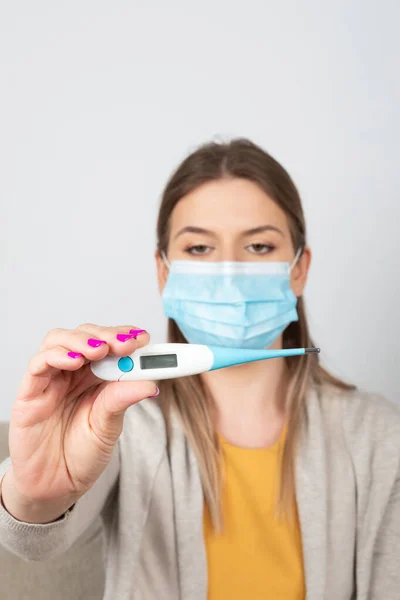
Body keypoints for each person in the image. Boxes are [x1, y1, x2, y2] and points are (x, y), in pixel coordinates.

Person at [0, 139, 399, 600]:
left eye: (258, 244)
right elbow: (31, 538)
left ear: (298, 269)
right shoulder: (117, 425)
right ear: (164, 272)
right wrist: (35, 493)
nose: (228, 273)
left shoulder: (379, 437)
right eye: (200, 247)